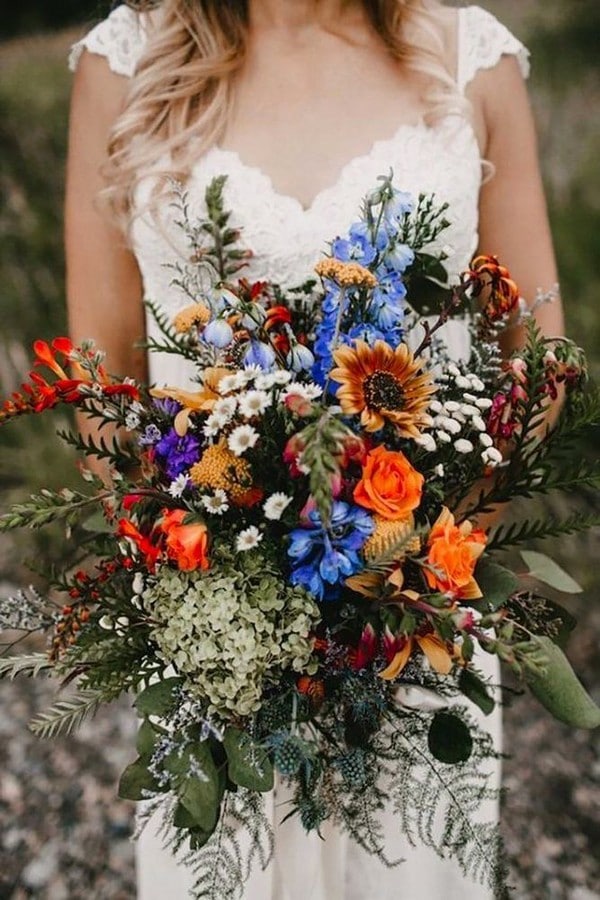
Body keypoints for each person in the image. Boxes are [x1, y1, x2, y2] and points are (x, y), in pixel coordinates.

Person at [65, 1, 564, 897]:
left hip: (417, 624)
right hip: (219, 636)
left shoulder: (472, 59)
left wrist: (418, 575)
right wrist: (205, 583)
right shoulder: (125, 63)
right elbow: (101, 384)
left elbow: (539, 362)